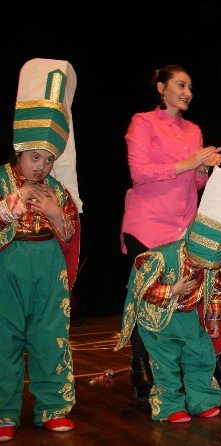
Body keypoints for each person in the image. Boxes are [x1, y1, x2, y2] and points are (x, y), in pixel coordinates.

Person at [119, 64, 221, 405]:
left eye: (191, 87)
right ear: (161, 88)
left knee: (185, 299)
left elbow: (195, 183)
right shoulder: (143, 122)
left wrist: (204, 168)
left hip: (184, 226)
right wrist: (189, 162)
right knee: (149, 296)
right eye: (181, 85)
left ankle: (192, 369)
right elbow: (139, 173)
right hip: (149, 225)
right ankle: (143, 368)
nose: (187, 93)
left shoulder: (194, 130)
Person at [114, 167, 221, 423]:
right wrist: (172, 290)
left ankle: (201, 400)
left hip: (187, 317)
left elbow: (217, 289)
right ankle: (169, 406)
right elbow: (140, 288)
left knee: (201, 355)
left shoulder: (209, 265)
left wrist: (212, 317)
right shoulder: (160, 257)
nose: (205, 268)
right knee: (166, 364)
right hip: (159, 320)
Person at [0, 62, 81, 442]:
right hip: (9, 265)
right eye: (36, 158)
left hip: (48, 266)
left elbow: (67, 233)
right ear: (20, 152)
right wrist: (15, 202)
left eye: (49, 160)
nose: (42, 166)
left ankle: (53, 407)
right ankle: (4, 412)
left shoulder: (57, 190)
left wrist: (53, 214)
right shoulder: (2, 178)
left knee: (51, 336)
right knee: (6, 339)